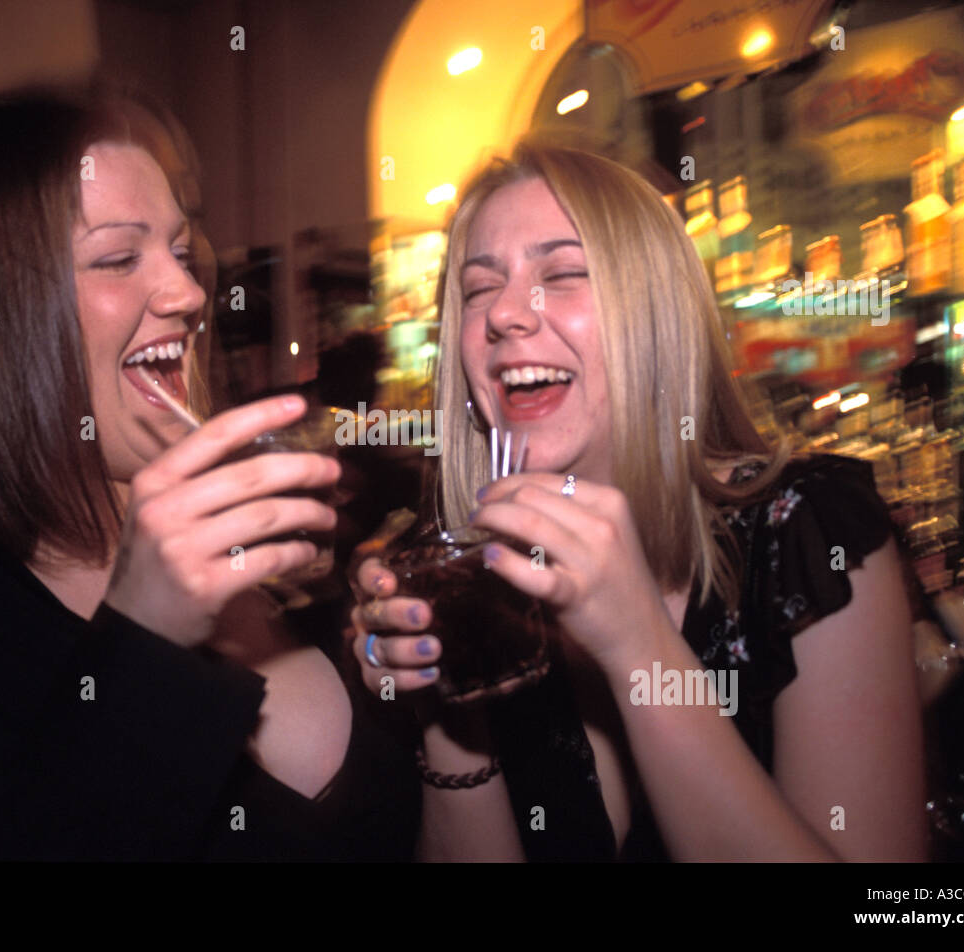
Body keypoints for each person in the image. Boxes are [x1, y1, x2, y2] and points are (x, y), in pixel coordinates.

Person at [0, 87, 417, 861]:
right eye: (119, 257)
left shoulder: (268, 555)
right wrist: (146, 648)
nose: (192, 293)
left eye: (181, 252)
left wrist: (448, 721)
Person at [348, 143, 926, 861]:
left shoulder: (809, 530)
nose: (503, 315)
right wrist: (441, 697)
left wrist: (635, 643)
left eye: (561, 274)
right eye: (477, 288)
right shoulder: (479, 584)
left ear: (656, 317)